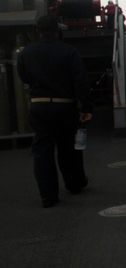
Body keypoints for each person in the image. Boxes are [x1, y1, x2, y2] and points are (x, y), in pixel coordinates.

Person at [16, 16, 93, 208]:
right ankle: (74, 183)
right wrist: (86, 107)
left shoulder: (26, 53)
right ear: (57, 30)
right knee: (68, 147)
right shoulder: (69, 52)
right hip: (64, 105)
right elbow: (80, 80)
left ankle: (48, 195)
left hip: (39, 105)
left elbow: (24, 77)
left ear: (37, 31)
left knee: (42, 151)